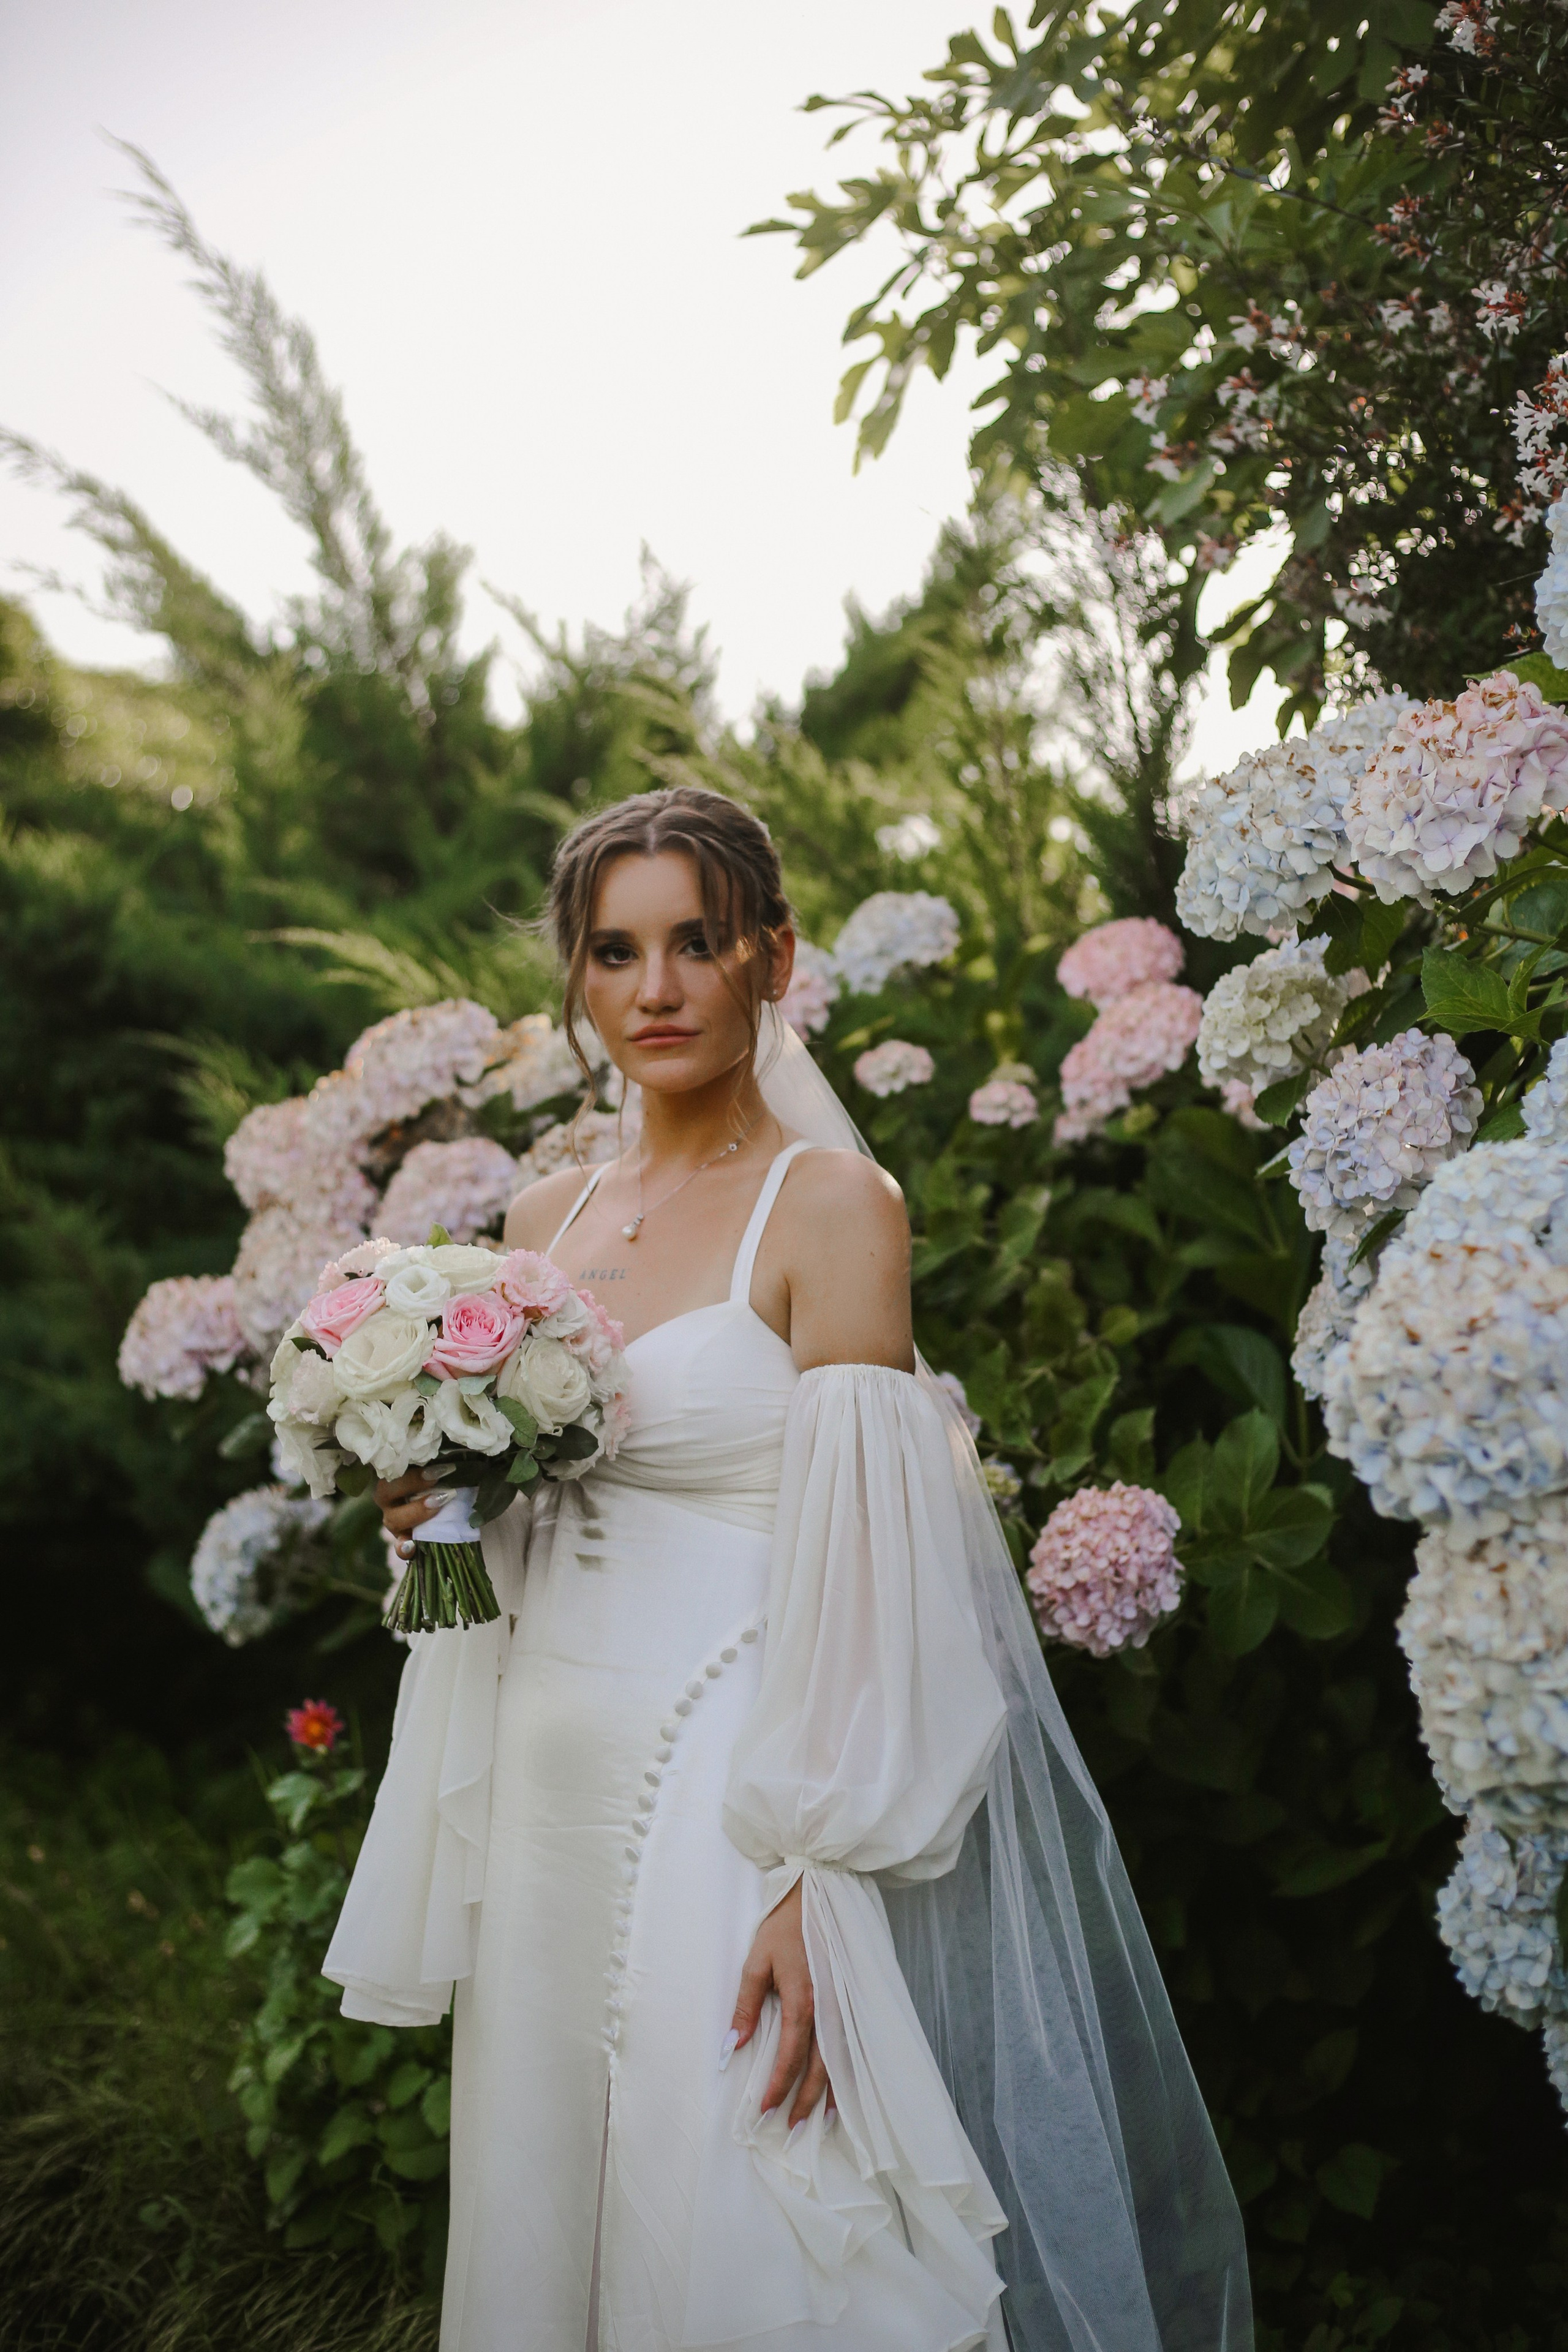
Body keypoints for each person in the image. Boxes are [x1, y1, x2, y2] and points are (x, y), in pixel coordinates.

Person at [323, 786, 1253, 2352]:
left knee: (741, 2201)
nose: (658, 988)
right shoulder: (541, 1217)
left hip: (727, 1798)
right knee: (550, 2207)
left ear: (772, 956)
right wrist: (436, 1511)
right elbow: (525, 1516)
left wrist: (820, 1883)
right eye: (615, 952)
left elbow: (879, 1579)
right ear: (577, 980)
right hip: (545, 1776)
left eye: (697, 940)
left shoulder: (831, 1208)